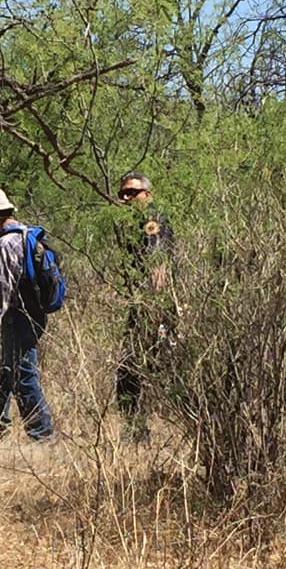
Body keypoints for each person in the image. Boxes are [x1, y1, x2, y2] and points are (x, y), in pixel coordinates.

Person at [0, 188, 55, 441]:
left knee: (23, 377)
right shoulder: (27, 235)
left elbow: (1, 286)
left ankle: (42, 435)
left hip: (17, 319)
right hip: (34, 316)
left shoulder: (6, 243)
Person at [115, 171, 176, 442]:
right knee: (145, 367)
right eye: (123, 193)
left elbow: (157, 266)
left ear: (147, 194)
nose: (126, 198)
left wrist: (152, 311)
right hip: (146, 306)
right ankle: (138, 430)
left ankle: (138, 430)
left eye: (132, 192)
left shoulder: (151, 220)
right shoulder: (137, 223)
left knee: (132, 367)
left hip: (152, 308)